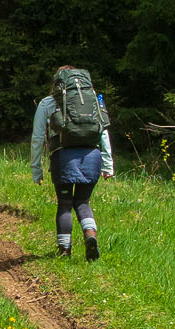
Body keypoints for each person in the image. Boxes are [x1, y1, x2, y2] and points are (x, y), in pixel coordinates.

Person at [30, 65, 115, 261]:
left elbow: (37, 138)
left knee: (65, 204)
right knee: (83, 202)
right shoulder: (92, 100)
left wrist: (36, 169)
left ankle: (64, 251)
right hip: (91, 157)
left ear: (57, 83)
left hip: (63, 159)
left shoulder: (48, 103)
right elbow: (103, 132)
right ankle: (90, 235)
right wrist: (108, 164)